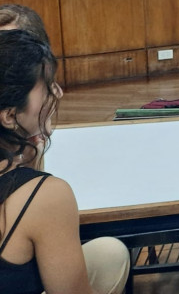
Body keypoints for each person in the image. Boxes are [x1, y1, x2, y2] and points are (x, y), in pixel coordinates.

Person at [0, 29, 130, 294]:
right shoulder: (46, 195)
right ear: (9, 116)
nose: (56, 94)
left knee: (107, 254)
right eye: (47, 88)